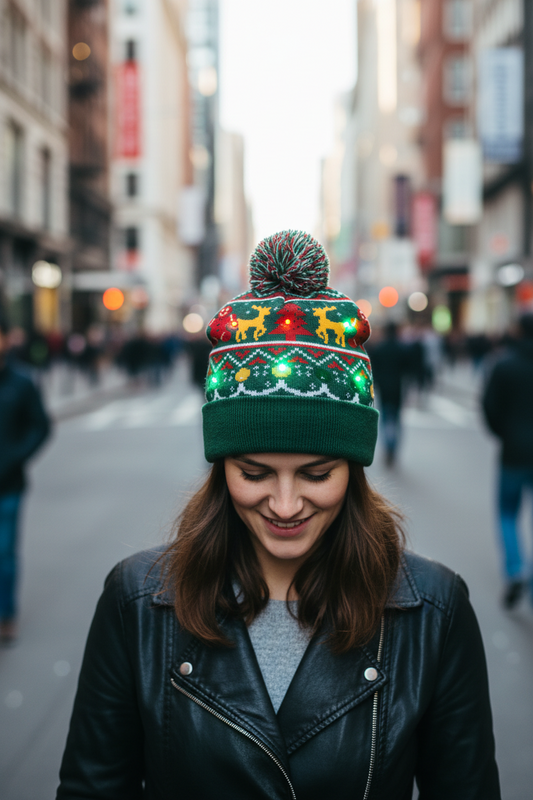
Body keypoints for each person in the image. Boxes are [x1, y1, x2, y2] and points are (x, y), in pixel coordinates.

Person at [57, 231, 500, 799]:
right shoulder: (137, 603)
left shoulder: (433, 613)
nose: (286, 506)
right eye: (255, 473)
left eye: (317, 475)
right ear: (220, 469)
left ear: (353, 470)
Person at [0, 317, 51, 643]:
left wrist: (16, 457)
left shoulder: (22, 382)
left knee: (4, 552)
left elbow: (41, 426)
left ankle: (6, 615)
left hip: (7, 483)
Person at [482, 313, 533, 609]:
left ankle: (516, 569)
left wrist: (505, 434)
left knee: (507, 513)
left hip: (513, 451)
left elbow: (489, 408)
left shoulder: (504, 364)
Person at [367, 321, 412, 466]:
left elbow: (373, 370)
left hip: (384, 388)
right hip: (397, 388)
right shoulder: (402, 348)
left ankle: (387, 447)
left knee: (386, 419)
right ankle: (393, 447)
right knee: (396, 419)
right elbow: (407, 370)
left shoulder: (380, 348)